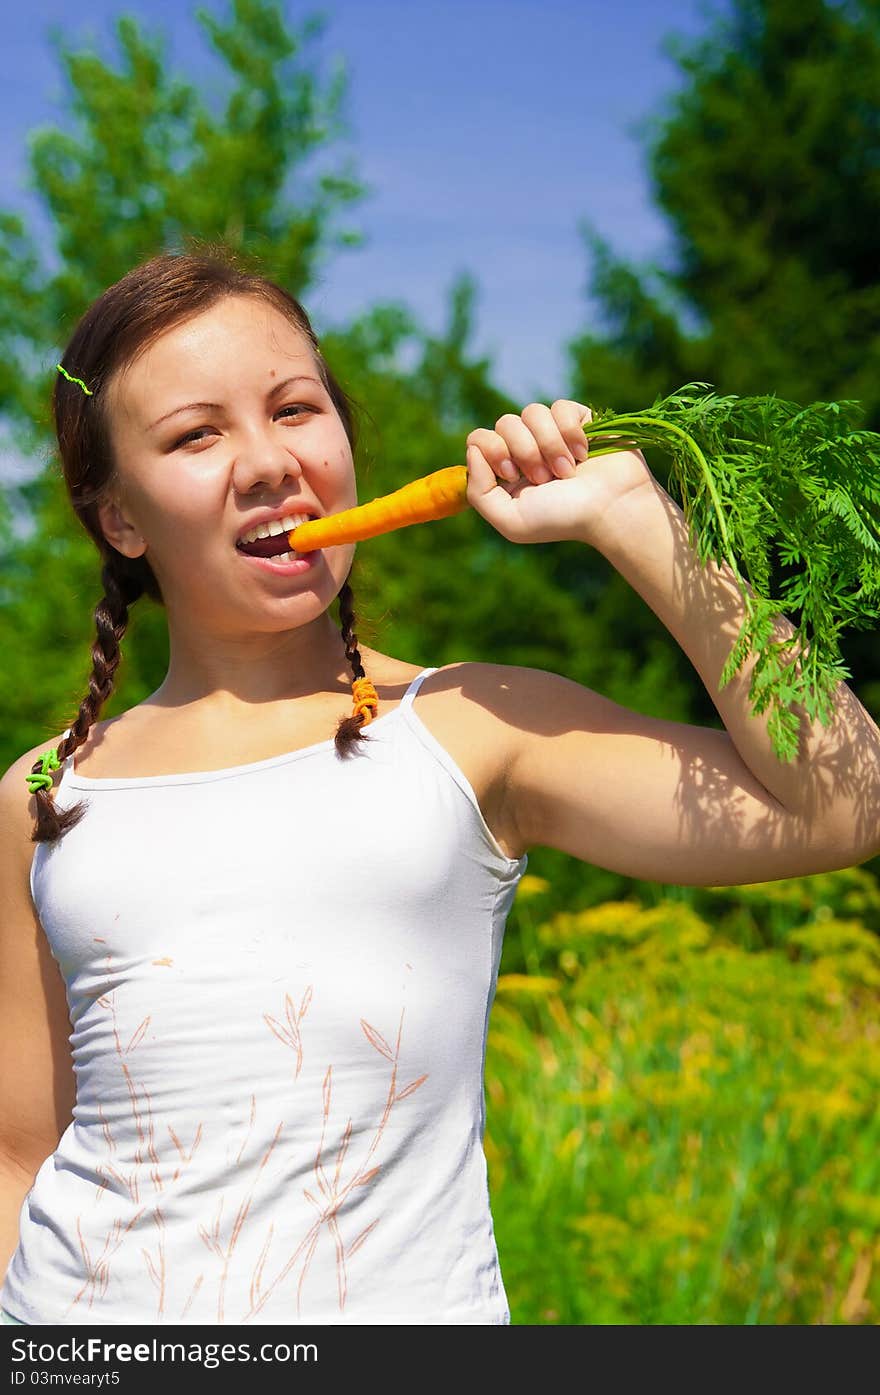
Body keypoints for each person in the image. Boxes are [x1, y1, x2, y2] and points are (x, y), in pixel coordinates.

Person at [0, 246, 875, 1328]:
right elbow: (20, 1155)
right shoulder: (45, 788)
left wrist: (634, 517)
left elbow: (844, 802)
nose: (269, 460)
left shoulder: (473, 726)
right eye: (197, 433)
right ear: (120, 518)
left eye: (295, 409)